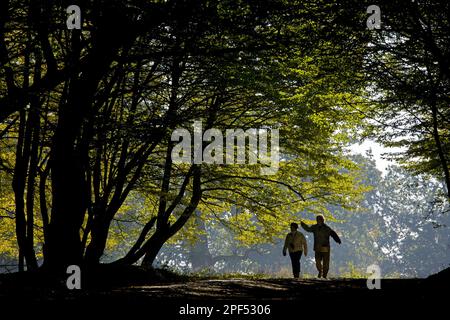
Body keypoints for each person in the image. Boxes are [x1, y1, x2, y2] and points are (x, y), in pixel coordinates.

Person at [301, 215, 341, 279]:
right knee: (317, 261)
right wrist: (302, 224)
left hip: (325, 247)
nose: (318, 221)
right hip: (317, 247)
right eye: (317, 219)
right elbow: (308, 229)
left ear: (322, 220)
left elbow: (332, 233)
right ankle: (320, 271)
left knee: (326, 262)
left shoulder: (326, 228)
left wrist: (337, 240)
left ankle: (324, 275)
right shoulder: (314, 227)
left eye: (320, 219)